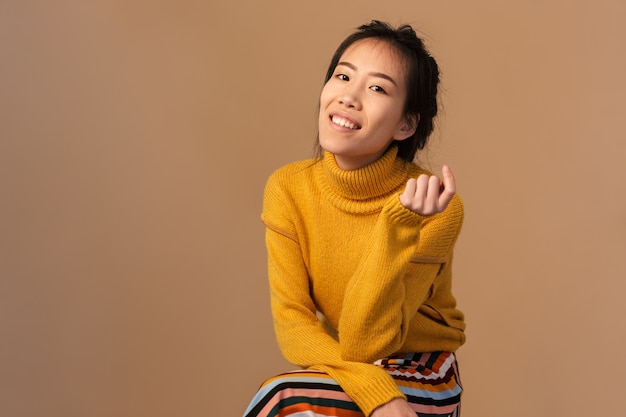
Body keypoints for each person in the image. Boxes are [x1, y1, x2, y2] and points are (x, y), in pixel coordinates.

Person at [243, 20, 466, 417]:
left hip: (423, 371)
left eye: (377, 87)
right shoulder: (287, 189)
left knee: (283, 398)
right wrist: (375, 390)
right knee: (290, 397)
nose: (348, 96)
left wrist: (399, 224)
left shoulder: (432, 206)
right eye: (343, 76)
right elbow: (294, 324)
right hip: (349, 367)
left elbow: (369, 341)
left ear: (406, 124)